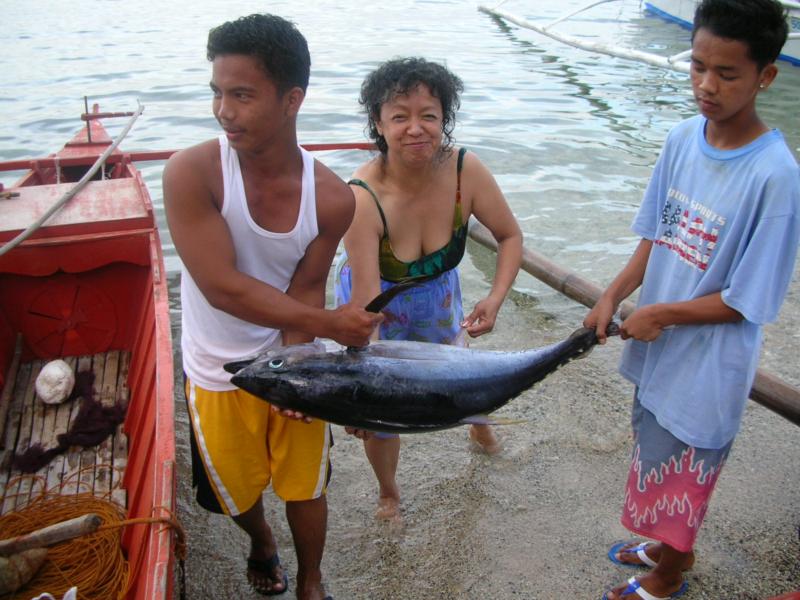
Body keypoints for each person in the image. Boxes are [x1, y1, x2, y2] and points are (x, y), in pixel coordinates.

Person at [583, 0, 800, 598]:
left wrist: (660, 313)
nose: (707, 85)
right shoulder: (683, 138)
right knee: (653, 445)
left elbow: (749, 299)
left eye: (727, 74)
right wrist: (613, 295)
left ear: (766, 75)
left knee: (687, 468)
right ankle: (664, 545)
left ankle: (669, 573)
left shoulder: (775, 177)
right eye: (698, 66)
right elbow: (656, 233)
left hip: (708, 363)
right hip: (661, 350)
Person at [163, 14, 382, 599]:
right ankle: (261, 541)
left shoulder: (333, 198)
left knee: (306, 485)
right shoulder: (192, 172)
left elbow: (307, 286)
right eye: (216, 92)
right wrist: (330, 328)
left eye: (241, 94)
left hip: (291, 348)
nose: (222, 111)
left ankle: (311, 581)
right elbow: (221, 286)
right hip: (215, 366)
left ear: (292, 100)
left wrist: (299, 364)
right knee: (236, 490)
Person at [334, 57, 523, 521]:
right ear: (378, 123)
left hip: (438, 297)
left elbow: (510, 237)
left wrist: (495, 298)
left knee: (461, 380)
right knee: (380, 415)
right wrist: (362, 387)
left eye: (429, 115)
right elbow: (364, 308)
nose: (415, 129)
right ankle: (389, 492)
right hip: (377, 305)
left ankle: (479, 430)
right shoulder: (361, 196)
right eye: (400, 116)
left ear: (445, 119)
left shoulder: (465, 171)